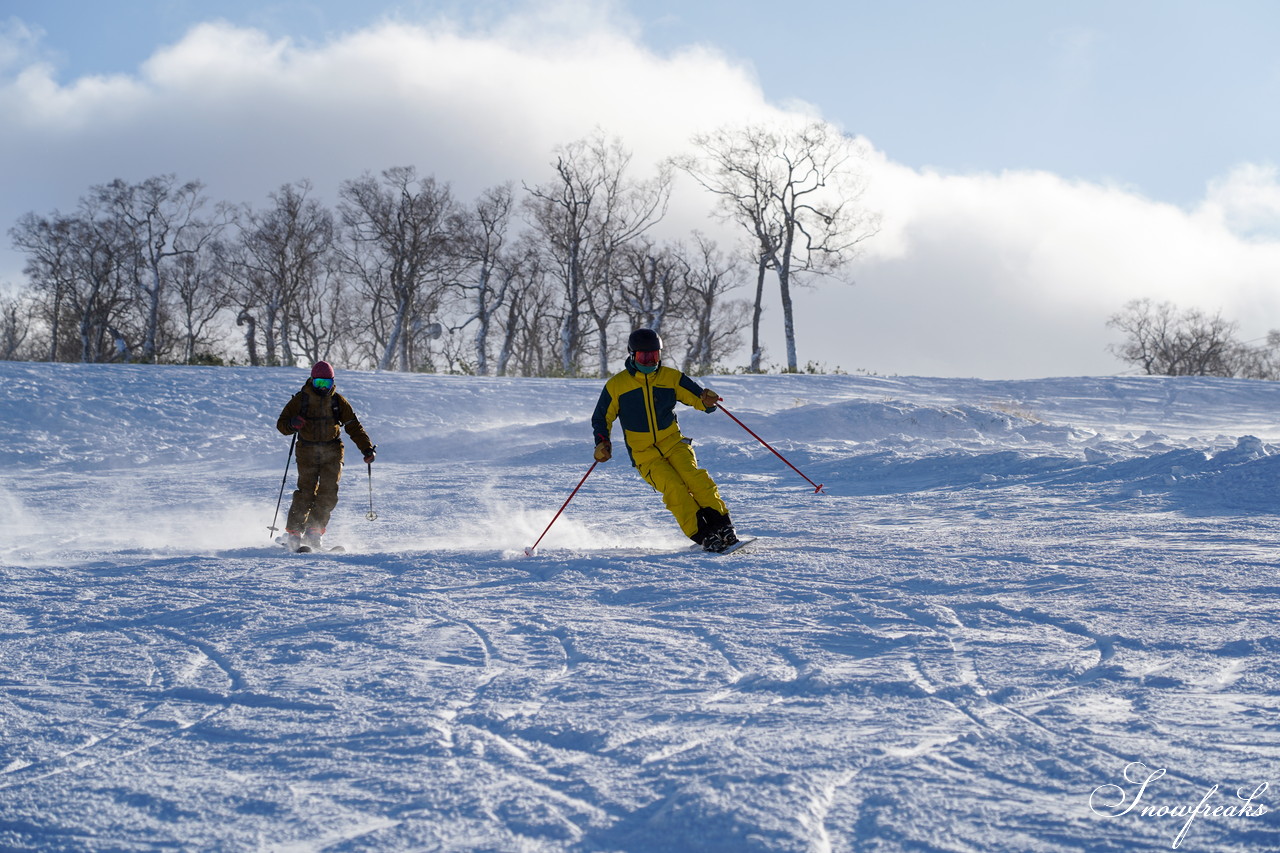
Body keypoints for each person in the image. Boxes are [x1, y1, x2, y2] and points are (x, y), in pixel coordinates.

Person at [591, 328, 739, 552]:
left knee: (695, 479)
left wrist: (707, 401)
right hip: (645, 456)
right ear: (633, 356)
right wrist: (603, 442)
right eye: (644, 357)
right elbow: (602, 417)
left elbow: (697, 397)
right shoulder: (617, 386)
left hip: (673, 443)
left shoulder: (671, 377)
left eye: (655, 356)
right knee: (674, 488)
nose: (650, 362)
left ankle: (723, 526)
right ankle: (703, 534)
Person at [275, 361, 376, 551]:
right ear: (312, 381)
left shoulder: (338, 401)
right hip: (307, 451)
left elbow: (354, 426)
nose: (323, 388)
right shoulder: (300, 400)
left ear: (333, 382)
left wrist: (367, 449)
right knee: (306, 491)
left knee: (329, 492)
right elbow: (281, 425)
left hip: (332, 450)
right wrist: (292, 423)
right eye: (319, 383)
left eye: (326, 384)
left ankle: (314, 531)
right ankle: (294, 533)